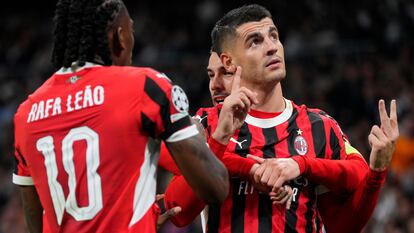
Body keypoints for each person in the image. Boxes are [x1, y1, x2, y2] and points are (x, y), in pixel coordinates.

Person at [163, 5, 399, 233]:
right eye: (255, 41)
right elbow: (180, 212)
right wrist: (221, 141)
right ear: (229, 62)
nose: (271, 47)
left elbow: (342, 225)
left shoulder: (319, 126)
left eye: (274, 36)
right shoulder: (208, 123)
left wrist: (303, 165)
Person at [11, 0, 234, 232]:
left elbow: (33, 216)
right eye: (131, 30)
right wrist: (208, 135)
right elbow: (215, 188)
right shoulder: (145, 87)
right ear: (119, 36)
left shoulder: (26, 112)